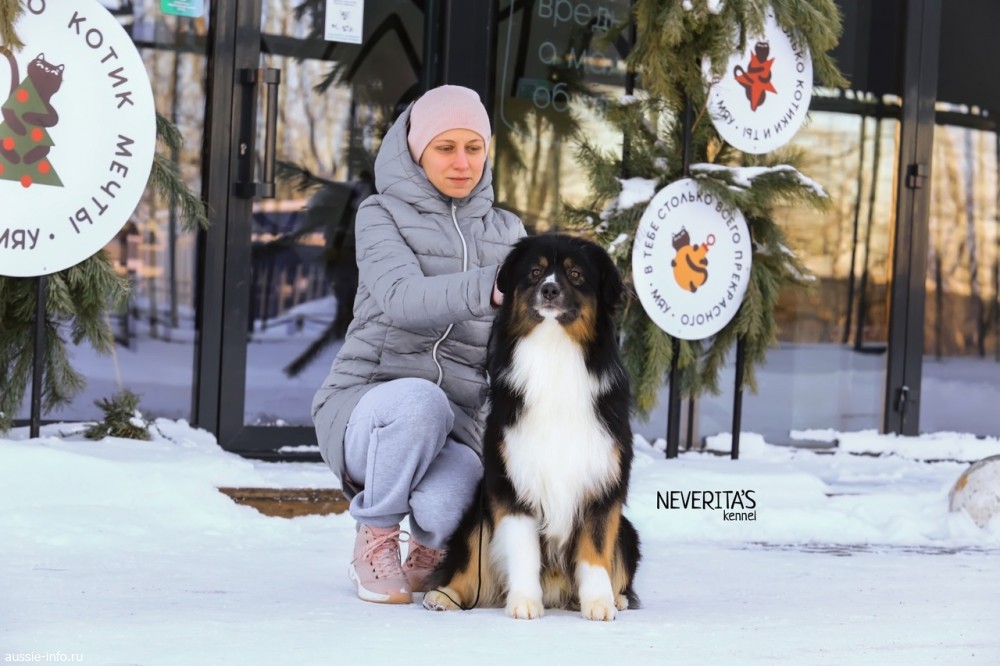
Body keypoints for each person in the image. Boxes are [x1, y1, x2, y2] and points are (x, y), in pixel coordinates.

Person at [311, 85, 526, 604]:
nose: (462, 162)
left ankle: (430, 552)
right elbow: (401, 298)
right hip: (370, 410)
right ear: (416, 151)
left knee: (461, 494)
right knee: (419, 401)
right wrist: (490, 286)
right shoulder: (379, 214)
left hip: (455, 423)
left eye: (473, 148)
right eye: (445, 148)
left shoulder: (508, 230)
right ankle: (376, 533)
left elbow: (517, 340)